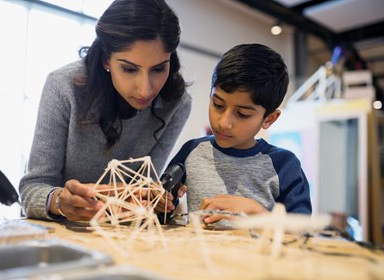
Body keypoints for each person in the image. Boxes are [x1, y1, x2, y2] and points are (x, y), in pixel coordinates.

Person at [19, 0, 192, 222]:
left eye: (159, 68)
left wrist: (158, 199)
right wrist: (60, 201)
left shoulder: (176, 104)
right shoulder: (64, 86)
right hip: (58, 234)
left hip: (120, 236)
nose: (145, 89)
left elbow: (146, 189)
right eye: (129, 69)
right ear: (105, 60)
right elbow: (32, 188)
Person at [163, 43, 311, 225]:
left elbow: (303, 231)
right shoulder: (192, 151)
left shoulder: (284, 165)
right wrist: (160, 203)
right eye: (217, 105)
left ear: (269, 119)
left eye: (242, 114)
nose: (224, 123)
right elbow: (162, 209)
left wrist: (259, 213)